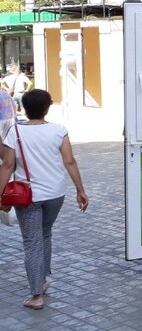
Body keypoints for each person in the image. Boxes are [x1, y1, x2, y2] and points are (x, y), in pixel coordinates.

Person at [0, 89, 88, 310]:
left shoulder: (15, 131)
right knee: (45, 233)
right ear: (48, 108)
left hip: (28, 196)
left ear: (24, 109)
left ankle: (36, 295)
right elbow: (69, 161)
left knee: (32, 242)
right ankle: (42, 279)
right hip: (55, 194)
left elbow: (8, 165)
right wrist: (80, 190)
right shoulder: (59, 130)